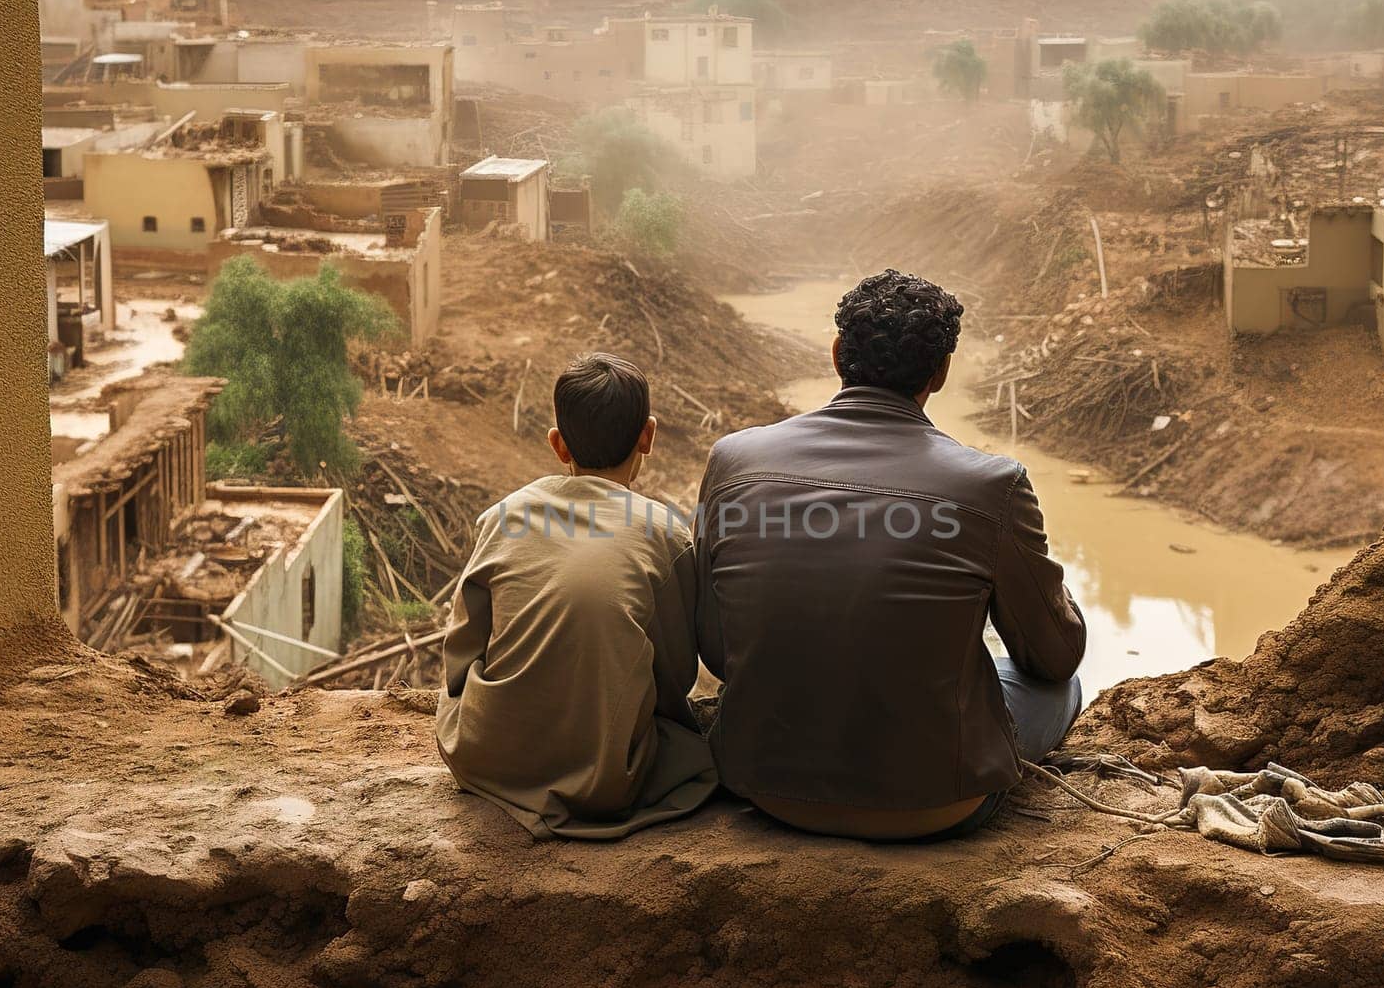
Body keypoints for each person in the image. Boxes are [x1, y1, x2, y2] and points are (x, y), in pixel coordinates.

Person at [693, 270, 1087, 842]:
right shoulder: (992, 485)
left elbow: (717, 649)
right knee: (1058, 688)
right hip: (934, 806)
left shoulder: (733, 460)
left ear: (836, 355)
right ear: (942, 372)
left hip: (763, 787)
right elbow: (1053, 659)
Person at [438, 353, 716, 839]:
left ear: (557, 444)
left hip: (480, 755)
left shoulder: (502, 516)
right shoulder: (666, 535)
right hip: (600, 784)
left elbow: (461, 652)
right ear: (647, 436)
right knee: (698, 753)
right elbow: (674, 675)